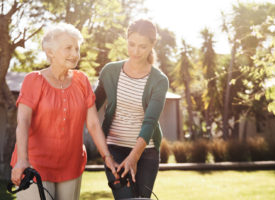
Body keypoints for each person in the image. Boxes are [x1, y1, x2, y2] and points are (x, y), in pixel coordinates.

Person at [10, 23, 118, 200]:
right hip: (34, 164)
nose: (75, 54)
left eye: (77, 48)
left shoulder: (82, 81)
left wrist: (107, 156)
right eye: (68, 48)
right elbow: (23, 122)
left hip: (71, 165)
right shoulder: (33, 81)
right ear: (50, 52)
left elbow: (92, 123)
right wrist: (22, 160)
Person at [94, 19, 169, 199]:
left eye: (142, 46)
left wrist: (134, 156)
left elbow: (150, 122)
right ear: (126, 40)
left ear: (153, 44)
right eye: (132, 44)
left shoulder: (159, 80)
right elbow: (90, 107)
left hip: (146, 151)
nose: (136, 51)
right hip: (114, 149)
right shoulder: (110, 72)